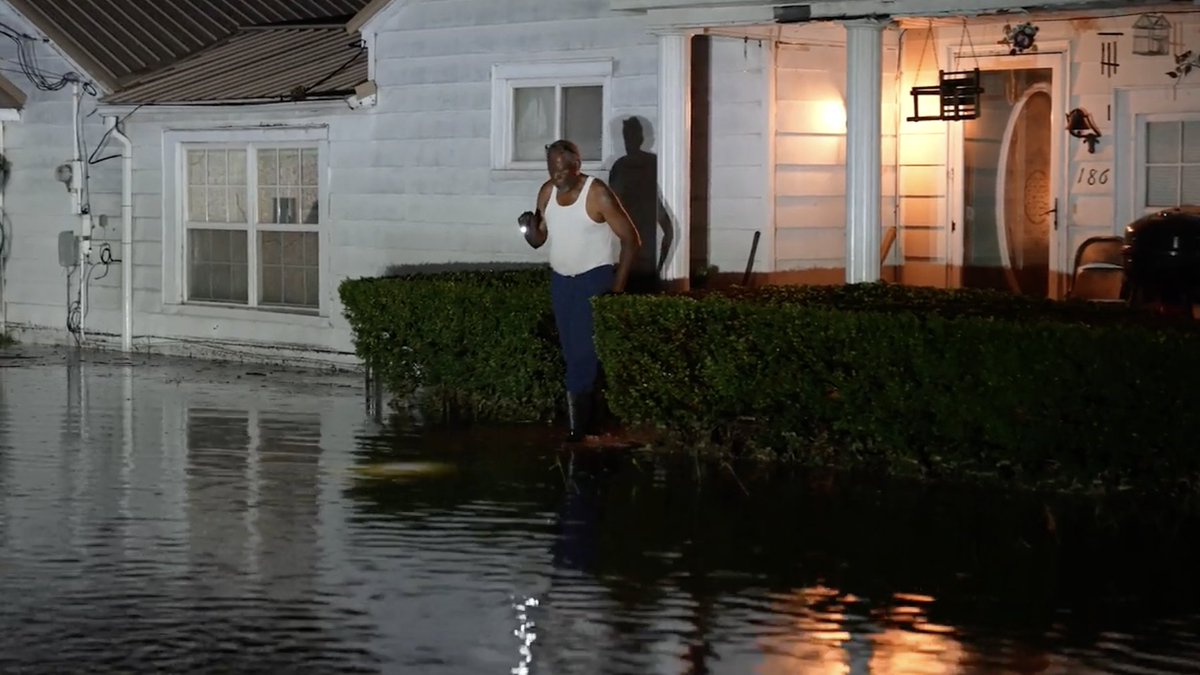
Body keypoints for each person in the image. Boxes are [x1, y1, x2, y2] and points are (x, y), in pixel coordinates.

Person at [518, 139, 641, 443]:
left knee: (582, 353)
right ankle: (590, 423)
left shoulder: (597, 194)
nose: (556, 177)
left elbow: (631, 239)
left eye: (562, 170)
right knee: (571, 350)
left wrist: (617, 289)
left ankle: (579, 431)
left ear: (577, 166)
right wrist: (528, 229)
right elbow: (538, 240)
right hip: (561, 280)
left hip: (592, 279)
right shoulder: (547, 192)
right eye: (551, 170)